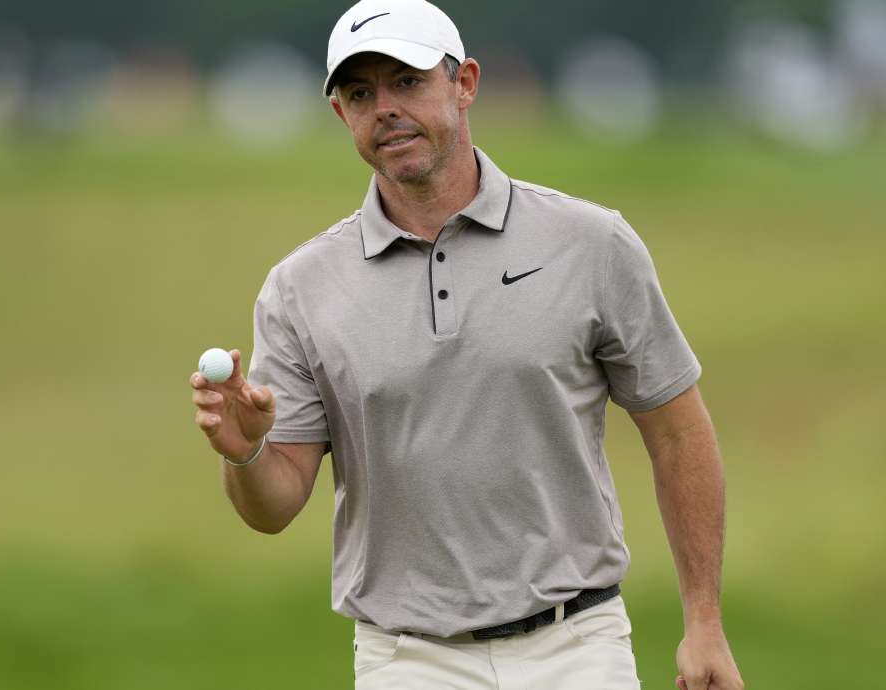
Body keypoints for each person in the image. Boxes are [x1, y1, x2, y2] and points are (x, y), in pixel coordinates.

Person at [189, 1, 745, 688]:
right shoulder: (300, 288)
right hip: (407, 659)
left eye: (407, 81)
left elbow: (679, 433)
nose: (385, 109)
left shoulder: (591, 243)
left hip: (577, 645)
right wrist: (245, 453)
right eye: (360, 94)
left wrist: (704, 621)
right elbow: (273, 508)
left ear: (465, 83)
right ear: (341, 114)